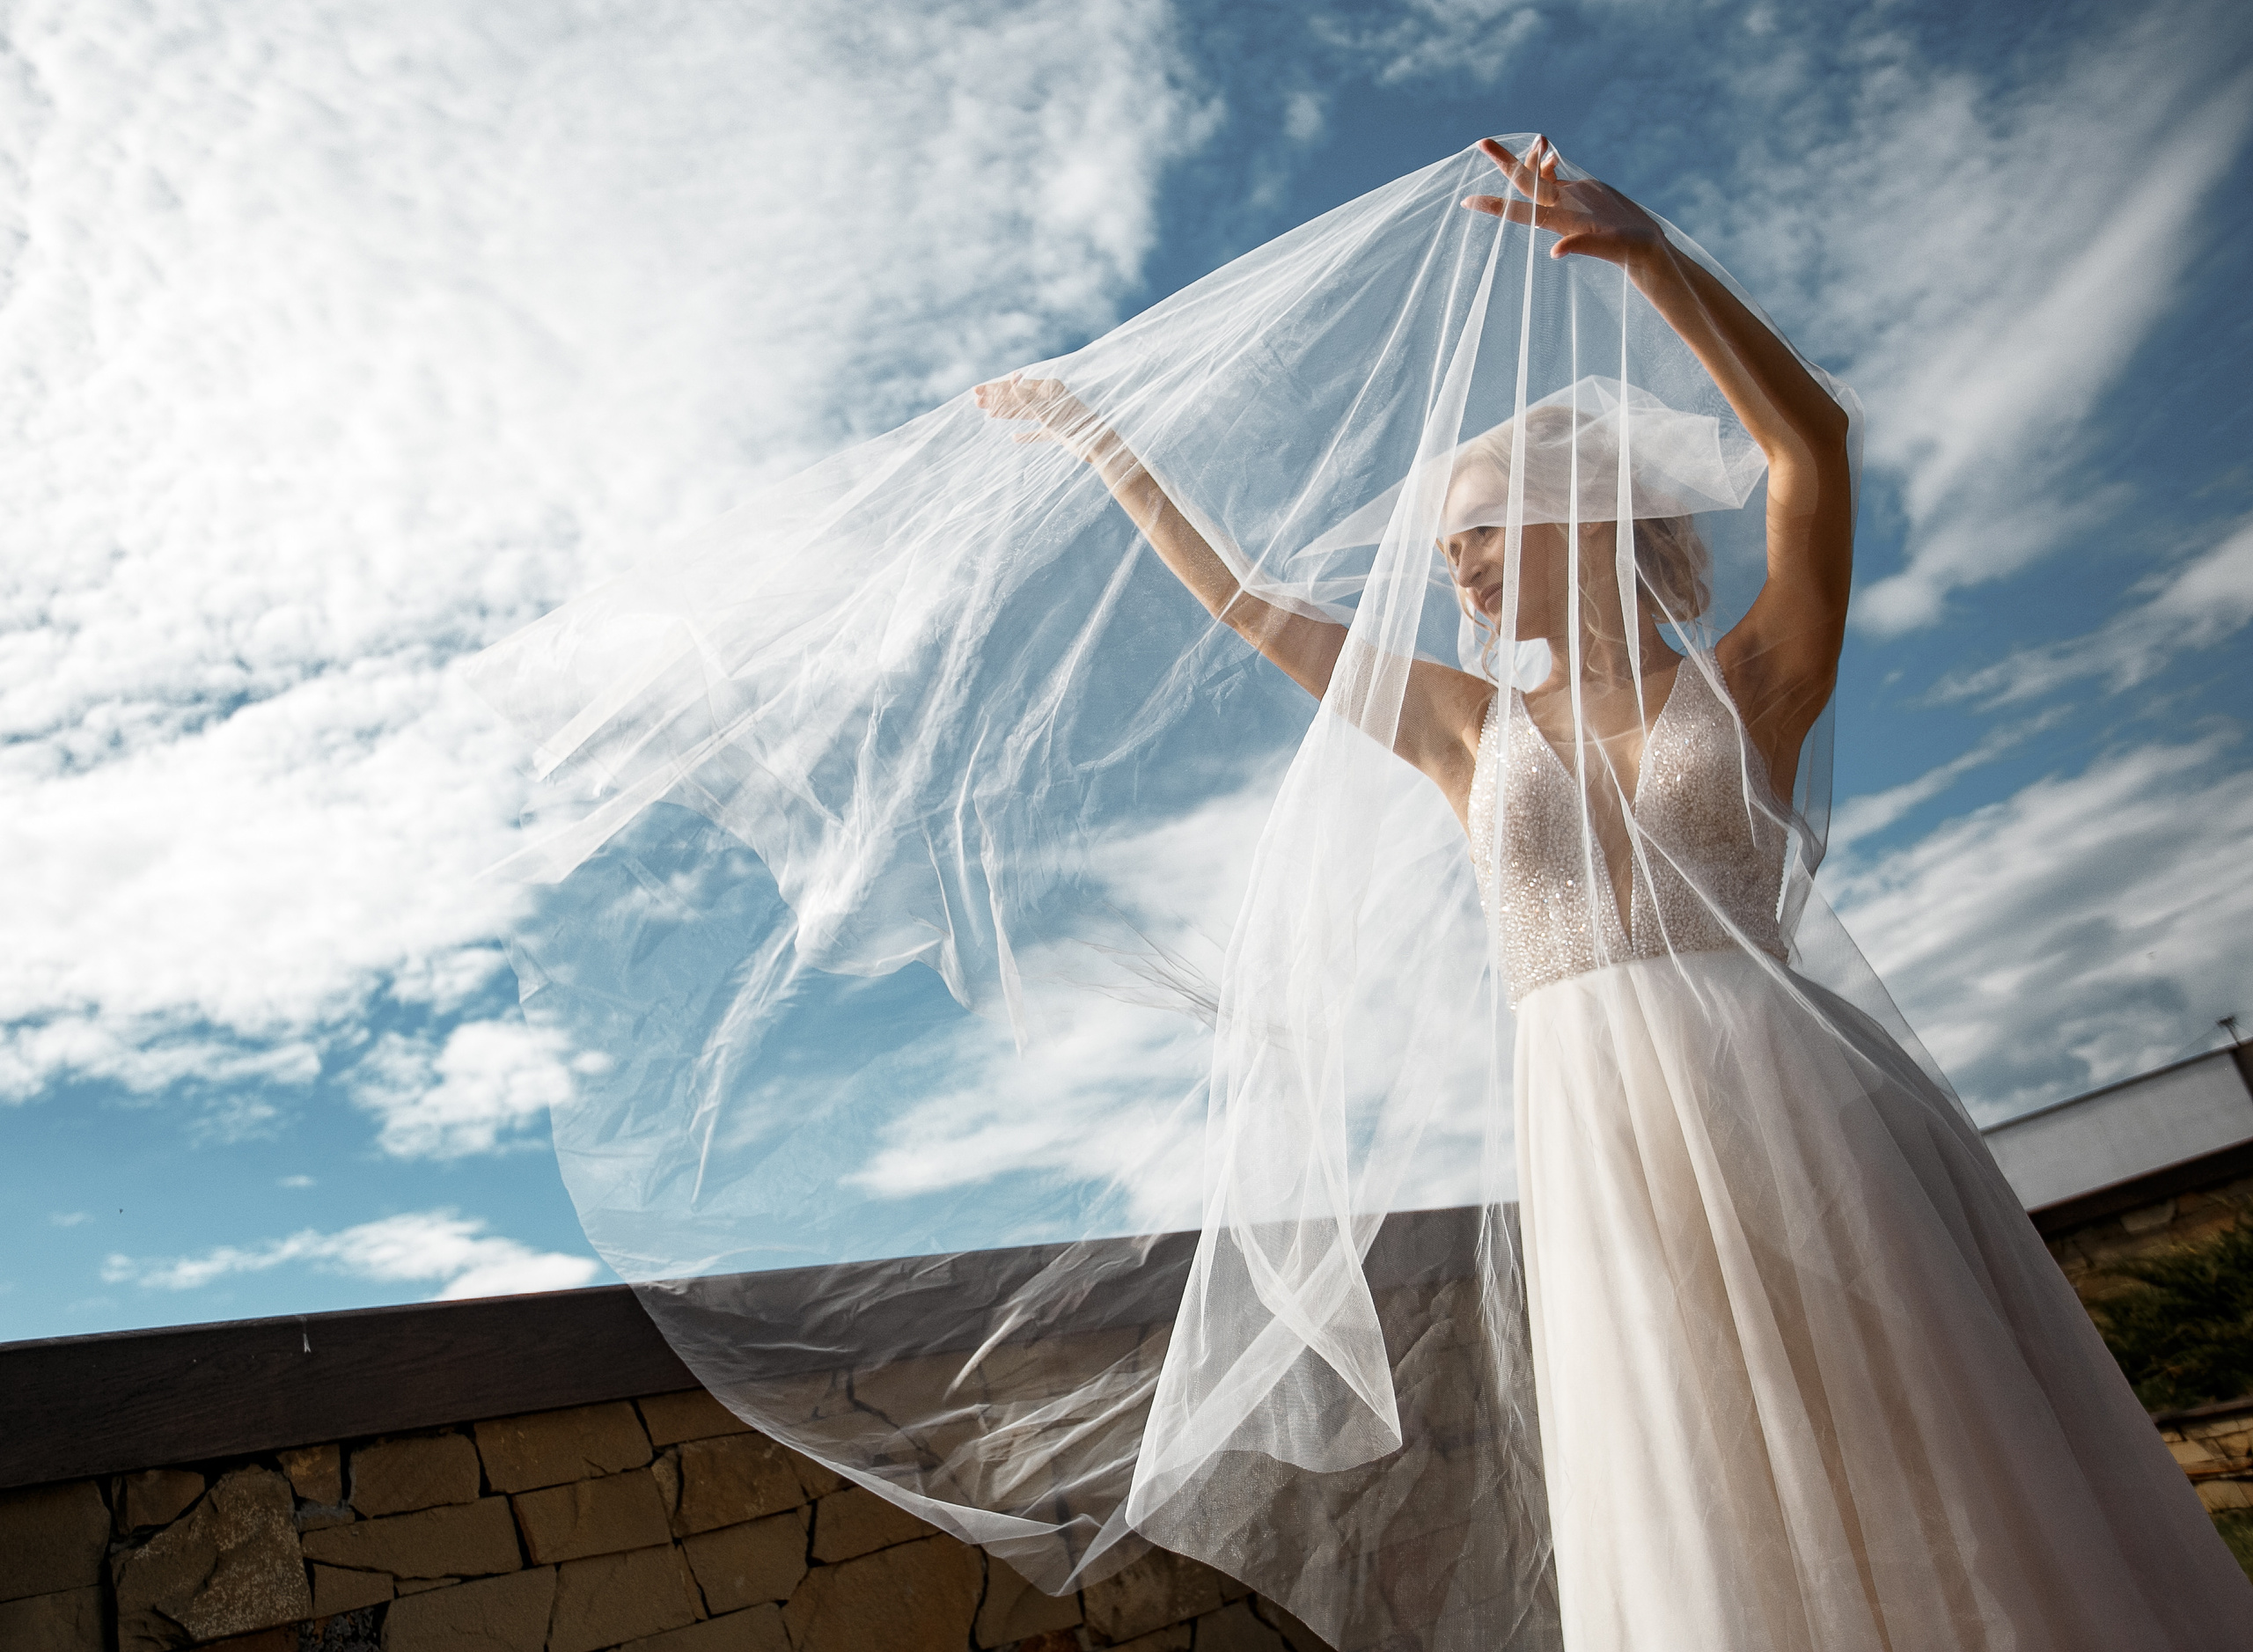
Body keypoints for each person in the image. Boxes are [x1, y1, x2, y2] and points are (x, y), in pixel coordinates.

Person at [473, 136, 2251, 1650]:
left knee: (1917, 1430)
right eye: (1451, 547)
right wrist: (1108, 447)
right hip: (1602, 1120)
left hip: (1795, 1098)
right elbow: (1251, 606)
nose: (1458, 567)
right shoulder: (1464, 724)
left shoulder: (1750, 678)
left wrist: (1651, 261)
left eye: (1481, 530)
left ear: (1585, 511)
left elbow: (1813, 452)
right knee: (1702, 1456)